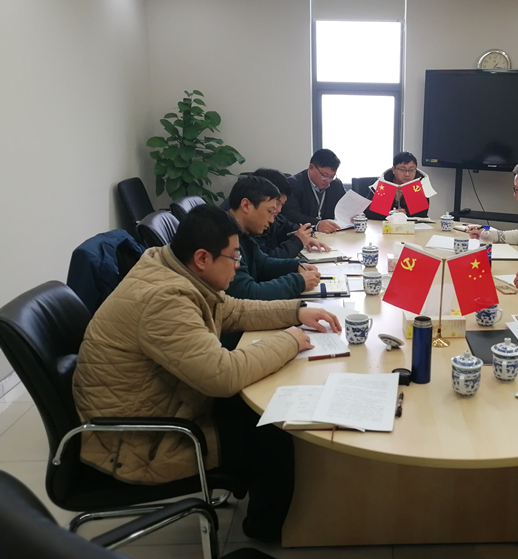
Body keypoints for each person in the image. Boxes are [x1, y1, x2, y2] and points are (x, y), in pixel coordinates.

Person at [72, 204, 341, 541]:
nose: (239, 264)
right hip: (143, 441)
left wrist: (296, 311)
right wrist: (289, 340)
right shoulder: (164, 299)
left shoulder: (170, 268)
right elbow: (221, 375)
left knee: (265, 404)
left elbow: (233, 310)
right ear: (202, 258)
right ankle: (268, 530)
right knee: (272, 433)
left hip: (166, 404)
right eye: (233, 256)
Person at [226, 176, 321, 301]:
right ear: (246, 205)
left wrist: (296, 266)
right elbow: (247, 292)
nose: (271, 220)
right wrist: (298, 282)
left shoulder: (242, 233)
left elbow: (263, 264)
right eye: (269, 211)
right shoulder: (223, 237)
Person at [249, 168, 331, 258]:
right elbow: (267, 259)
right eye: (277, 203)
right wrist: (297, 242)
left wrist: (304, 236)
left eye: (282, 204)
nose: (279, 210)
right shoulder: (251, 227)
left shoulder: (276, 219)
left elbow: (288, 227)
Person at [283, 149, 346, 234]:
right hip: (303, 235)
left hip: (331, 235)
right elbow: (291, 215)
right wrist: (317, 224)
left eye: (332, 176)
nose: (328, 180)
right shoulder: (293, 184)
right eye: (325, 175)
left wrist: (354, 215)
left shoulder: (336, 185)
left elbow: (344, 207)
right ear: (311, 167)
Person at [364, 151, 432, 219]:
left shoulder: (420, 185)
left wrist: (404, 213)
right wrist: (392, 213)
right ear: (393, 169)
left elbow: (421, 214)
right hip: (383, 224)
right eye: (402, 169)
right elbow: (370, 212)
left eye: (411, 170)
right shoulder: (383, 184)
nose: (407, 174)